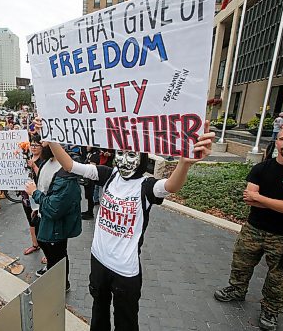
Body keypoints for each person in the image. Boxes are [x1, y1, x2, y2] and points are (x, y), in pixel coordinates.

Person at [31, 117, 214, 330]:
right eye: (121, 153)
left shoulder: (146, 186)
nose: (125, 160)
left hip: (125, 271)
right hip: (98, 260)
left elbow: (171, 186)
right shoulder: (108, 176)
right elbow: (70, 165)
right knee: (98, 314)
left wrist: (184, 163)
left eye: (132, 155)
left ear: (142, 159)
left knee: (125, 322)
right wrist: (51, 138)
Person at [214, 125, 283, 331]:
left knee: (279, 277)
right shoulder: (261, 168)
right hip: (254, 228)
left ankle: (270, 310)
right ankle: (237, 290)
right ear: (277, 142)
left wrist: (262, 198)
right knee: (241, 263)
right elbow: (250, 199)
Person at [25, 140, 83, 292]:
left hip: (57, 225)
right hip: (45, 217)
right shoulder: (47, 162)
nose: (39, 144)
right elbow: (45, 188)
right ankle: (52, 269)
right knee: (51, 253)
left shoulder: (66, 171)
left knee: (58, 254)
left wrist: (34, 194)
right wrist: (37, 208)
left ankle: (62, 284)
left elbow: (54, 207)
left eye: (43, 141)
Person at [23, 134, 43, 255]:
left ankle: (47, 250)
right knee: (31, 220)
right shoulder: (27, 157)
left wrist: (34, 165)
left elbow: (43, 176)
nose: (34, 147)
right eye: (32, 144)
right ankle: (35, 244)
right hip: (26, 195)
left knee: (41, 221)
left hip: (38, 194)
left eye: (37, 145)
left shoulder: (44, 160)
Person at [81, 146, 101, 220]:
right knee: (88, 196)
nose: (87, 147)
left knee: (90, 196)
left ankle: (90, 213)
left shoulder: (95, 155)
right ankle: (88, 211)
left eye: (89, 145)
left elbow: (92, 167)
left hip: (91, 178)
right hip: (88, 178)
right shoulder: (90, 154)